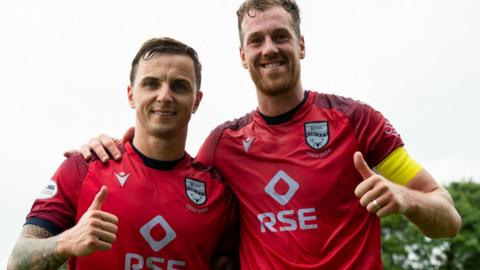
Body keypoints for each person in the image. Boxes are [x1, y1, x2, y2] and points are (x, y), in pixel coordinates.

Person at [68, 0, 462, 269]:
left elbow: (447, 219)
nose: (269, 48)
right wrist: (115, 150)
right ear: (243, 56)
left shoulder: (356, 121)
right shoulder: (224, 144)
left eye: (280, 36)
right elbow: (167, 176)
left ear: (301, 45)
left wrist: (404, 197)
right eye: (256, 40)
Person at [8, 37, 238, 270]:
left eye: (179, 86)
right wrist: (66, 241)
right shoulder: (83, 167)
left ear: (196, 101)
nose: (164, 96)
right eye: (151, 84)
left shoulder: (218, 193)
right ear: (131, 95)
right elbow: (18, 261)